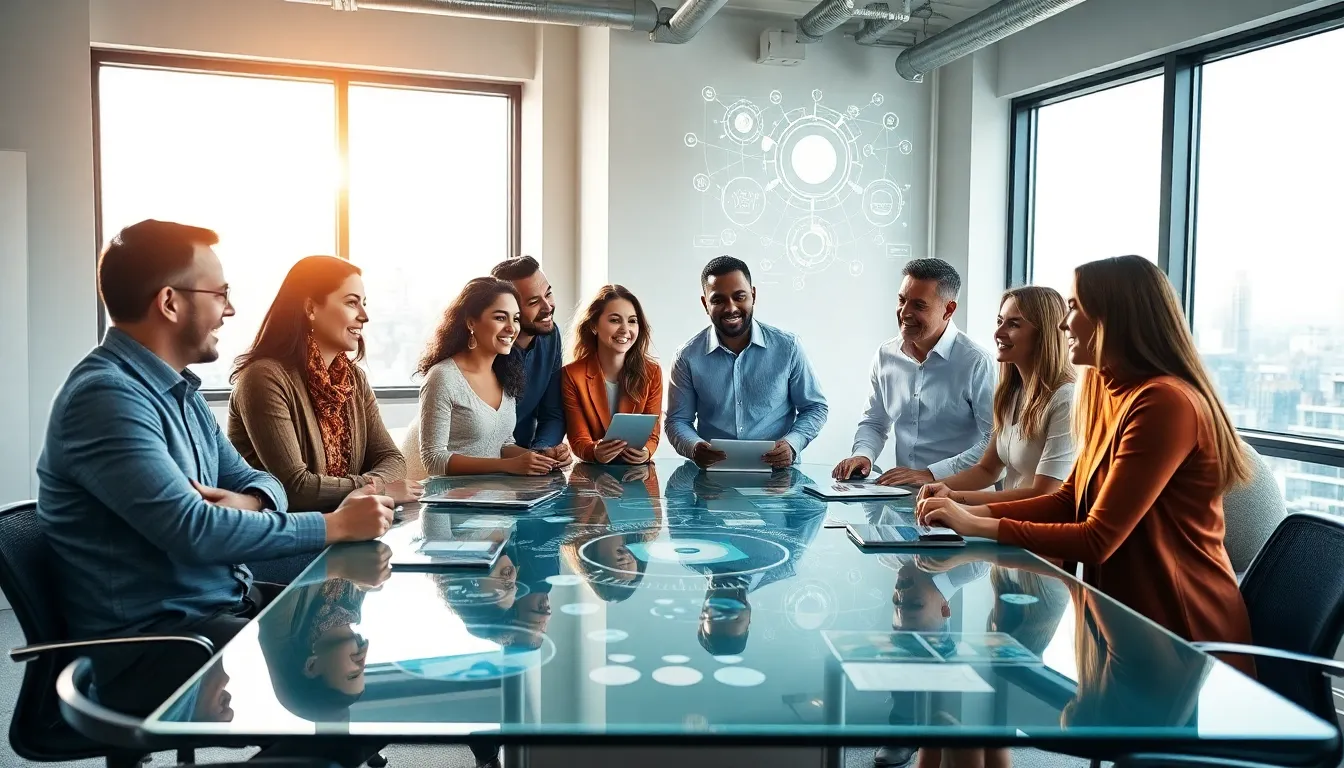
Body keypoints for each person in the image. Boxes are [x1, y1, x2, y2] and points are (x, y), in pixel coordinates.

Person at [36, 220, 394, 725]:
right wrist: (335, 526)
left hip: (219, 607)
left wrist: (249, 501)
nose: (230, 309)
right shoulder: (107, 397)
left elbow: (261, 480)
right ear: (170, 302)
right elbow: (196, 532)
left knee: (338, 640)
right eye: (220, 294)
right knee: (321, 690)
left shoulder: (180, 392)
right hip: (157, 643)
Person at [918, 255, 1255, 672]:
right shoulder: (1104, 393)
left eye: (1074, 307)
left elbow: (1098, 539)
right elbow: (1067, 500)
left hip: (1178, 632)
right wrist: (969, 511)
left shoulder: (1164, 401)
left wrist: (974, 522)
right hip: (1116, 618)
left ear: (1113, 317)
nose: (1063, 324)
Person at [229, 255, 421, 512]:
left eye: (363, 303)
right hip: (289, 538)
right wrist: (379, 489)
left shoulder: (354, 379)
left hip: (349, 527)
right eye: (352, 303)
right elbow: (295, 488)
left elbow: (393, 459)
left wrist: (362, 491)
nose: (364, 316)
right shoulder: (263, 378)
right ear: (310, 308)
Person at [834, 258, 995, 487]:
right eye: (902, 300)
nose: (904, 313)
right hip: (903, 499)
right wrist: (864, 454)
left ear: (948, 310)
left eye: (919, 306)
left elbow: (997, 442)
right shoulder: (885, 355)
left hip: (964, 504)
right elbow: (875, 422)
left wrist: (932, 474)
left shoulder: (977, 363)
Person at [916, 286, 1075, 506]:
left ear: (1044, 332)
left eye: (1013, 324)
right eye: (1000, 321)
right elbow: (988, 469)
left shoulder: (1065, 399)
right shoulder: (1011, 393)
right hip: (1009, 523)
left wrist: (955, 498)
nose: (998, 333)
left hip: (1040, 531)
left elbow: (1045, 493)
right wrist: (938, 488)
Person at [666, 256, 829, 469]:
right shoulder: (687, 357)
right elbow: (677, 420)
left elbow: (815, 407)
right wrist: (694, 447)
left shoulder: (788, 347)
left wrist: (792, 444)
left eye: (739, 296)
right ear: (705, 304)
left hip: (778, 482)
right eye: (718, 300)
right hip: (713, 484)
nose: (731, 308)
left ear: (753, 295)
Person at [401, 277, 559, 479]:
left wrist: (539, 459)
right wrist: (507, 465)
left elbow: (504, 443)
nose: (512, 328)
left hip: (490, 494)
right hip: (446, 499)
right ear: (470, 322)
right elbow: (434, 459)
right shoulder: (443, 377)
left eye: (516, 318)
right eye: (501, 318)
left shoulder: (506, 373)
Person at [561, 284, 663, 464]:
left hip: (636, 475)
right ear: (594, 325)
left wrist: (646, 452)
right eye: (615, 320)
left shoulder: (652, 372)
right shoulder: (572, 375)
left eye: (632, 321)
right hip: (591, 479)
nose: (625, 329)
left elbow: (652, 435)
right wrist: (595, 451)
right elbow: (578, 439)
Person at [490, 256, 573, 466]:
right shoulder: (488, 349)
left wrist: (543, 450)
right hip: (487, 464)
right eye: (534, 302)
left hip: (527, 463)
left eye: (549, 294)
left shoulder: (552, 336)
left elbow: (553, 412)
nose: (548, 307)